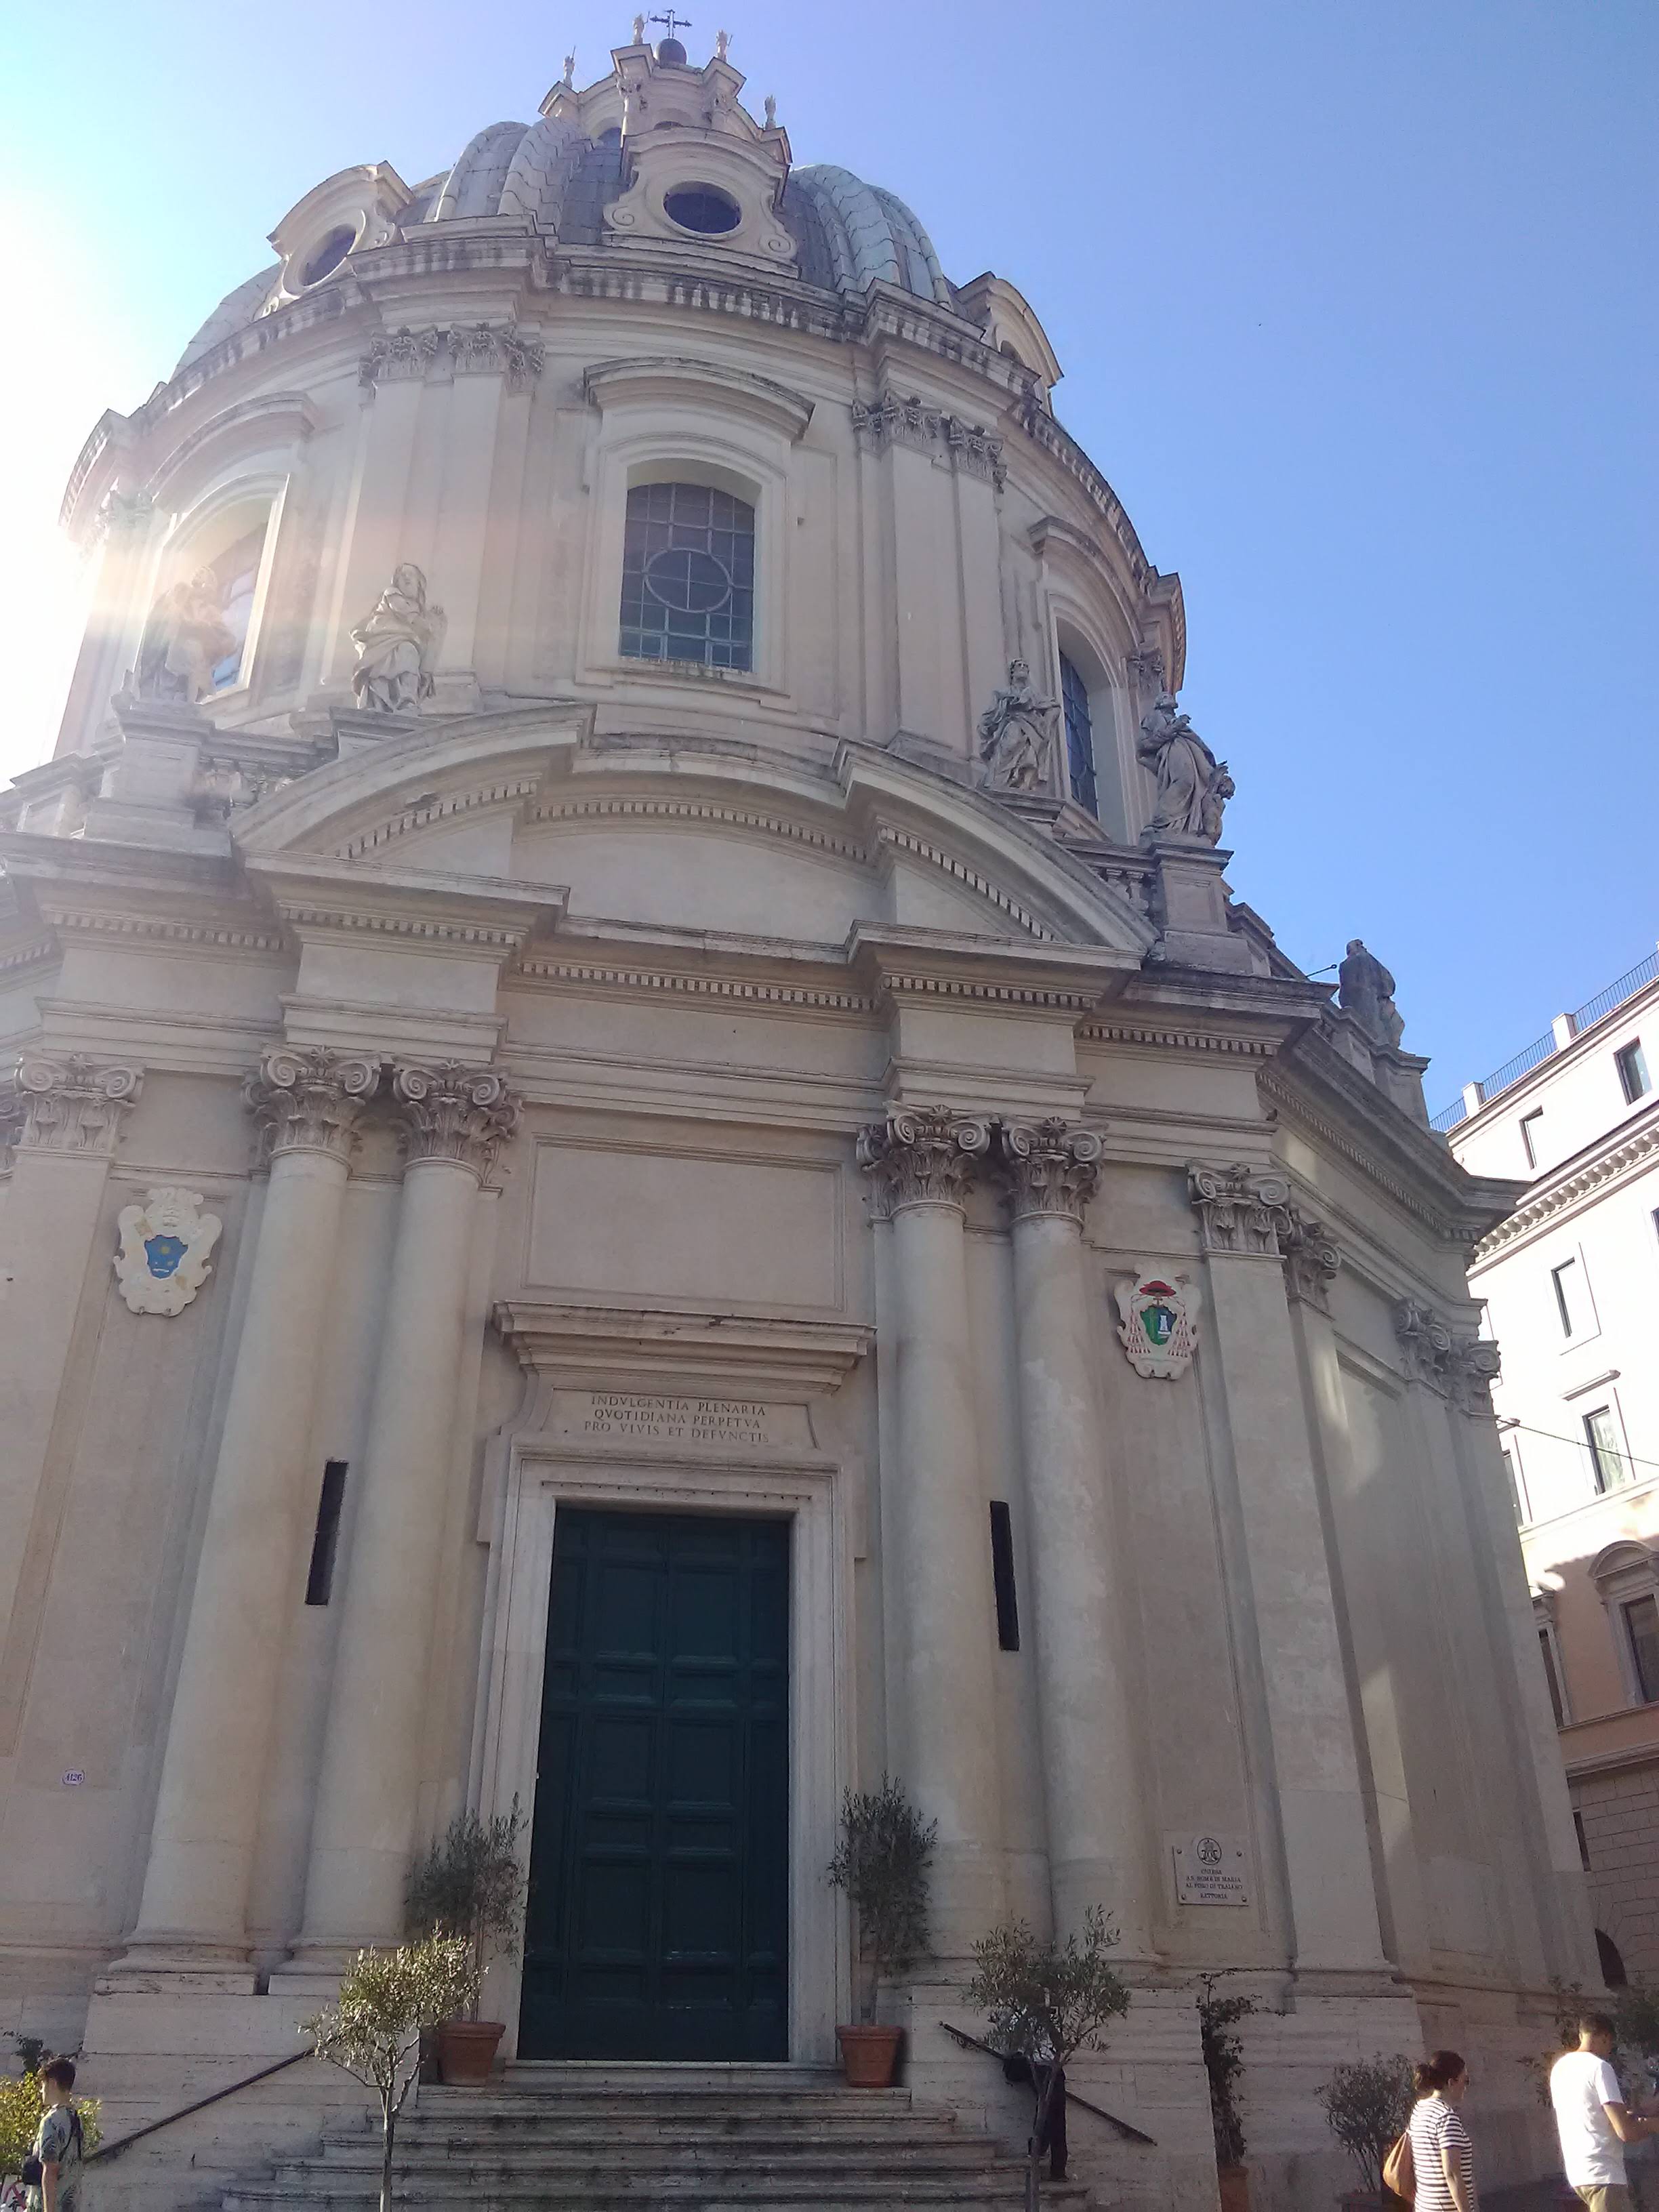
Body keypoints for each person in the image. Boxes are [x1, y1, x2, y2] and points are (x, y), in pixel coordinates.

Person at [1551, 2011, 1659, 2211]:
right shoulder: (1600, 2067)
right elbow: (1625, 2132)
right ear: (1605, 2038)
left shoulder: (1560, 2068)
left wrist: (1638, 2112)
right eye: (1610, 2045)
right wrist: (1653, 2125)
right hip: (1604, 2174)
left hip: (1579, 2173)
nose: (1610, 2050)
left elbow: (1590, 2116)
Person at [1408, 2050, 1477, 2212]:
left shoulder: (1419, 2109)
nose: (1466, 2087)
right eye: (1465, 2080)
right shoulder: (1447, 2117)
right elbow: (1452, 2174)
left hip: (1425, 2206)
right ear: (1451, 2083)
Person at [28, 2057, 83, 2212]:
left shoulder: (51, 2121)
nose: (41, 2090)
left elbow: (50, 2171)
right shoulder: (75, 2119)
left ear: (52, 2083)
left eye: (43, 2085)